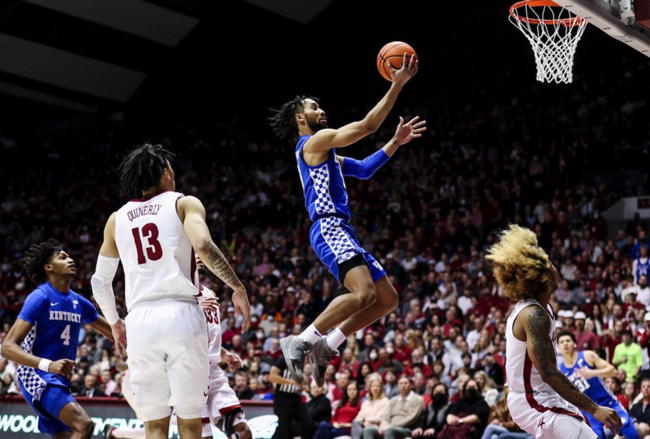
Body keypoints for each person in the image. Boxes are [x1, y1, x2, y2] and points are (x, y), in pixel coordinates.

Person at [269, 55, 426, 386]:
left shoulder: (328, 154)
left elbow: (365, 169)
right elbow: (367, 126)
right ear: (300, 118)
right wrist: (396, 85)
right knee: (362, 292)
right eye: (314, 107)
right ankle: (301, 342)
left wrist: (395, 142)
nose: (321, 110)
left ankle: (328, 346)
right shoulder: (313, 143)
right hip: (328, 226)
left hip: (342, 229)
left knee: (386, 299)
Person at [91, 144, 251, 439]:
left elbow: (100, 282)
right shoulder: (184, 203)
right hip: (182, 314)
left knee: (154, 426)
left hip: (139, 321)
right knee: (190, 422)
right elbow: (204, 246)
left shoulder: (116, 219)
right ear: (165, 172)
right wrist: (237, 287)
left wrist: (114, 323)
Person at [486, 225, 621, 439]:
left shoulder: (541, 308)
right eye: (549, 264)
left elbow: (521, 358)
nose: (554, 267)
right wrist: (594, 408)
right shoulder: (533, 315)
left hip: (540, 394)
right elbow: (548, 372)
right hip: (533, 399)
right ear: (543, 277)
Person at [105, 280, 253, 439]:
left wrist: (224, 354)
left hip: (213, 371)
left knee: (243, 433)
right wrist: (190, 311)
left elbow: (204, 333)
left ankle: (117, 434)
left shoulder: (209, 293)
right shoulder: (171, 292)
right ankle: (117, 434)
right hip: (188, 371)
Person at [1, 240, 114, 438]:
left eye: (69, 257)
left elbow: (115, 333)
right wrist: (48, 365)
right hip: (35, 374)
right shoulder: (40, 297)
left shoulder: (78, 302)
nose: (70, 260)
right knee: (84, 425)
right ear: (49, 267)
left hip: (59, 378)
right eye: (62, 257)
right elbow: (7, 347)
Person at [557, 330, 638, 438]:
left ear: (575, 344)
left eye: (568, 340)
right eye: (561, 342)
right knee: (596, 436)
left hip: (607, 402)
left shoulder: (587, 355)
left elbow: (613, 371)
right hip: (589, 410)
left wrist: (592, 373)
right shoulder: (560, 371)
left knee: (628, 429)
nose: (565, 344)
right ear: (558, 347)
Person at [269, 353, 314, 439]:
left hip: (296, 397)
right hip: (283, 398)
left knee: (308, 424)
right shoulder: (283, 359)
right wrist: (289, 382)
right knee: (285, 430)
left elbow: (297, 381)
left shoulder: (301, 363)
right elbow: (272, 377)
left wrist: (303, 386)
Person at [352, 374, 390, 439]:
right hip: (364, 425)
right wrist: (359, 421)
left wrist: (366, 420)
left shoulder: (385, 401)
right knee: (355, 423)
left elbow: (380, 419)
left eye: (378, 386)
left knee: (367, 429)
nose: (375, 388)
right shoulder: (365, 403)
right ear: (370, 388)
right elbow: (359, 417)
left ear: (381, 388)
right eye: (373, 386)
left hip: (378, 427)